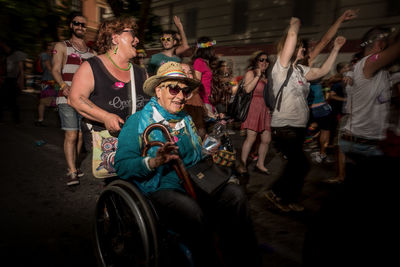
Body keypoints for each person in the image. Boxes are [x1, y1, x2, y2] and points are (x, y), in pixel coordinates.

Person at [114, 62, 261, 267]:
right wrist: (155, 160)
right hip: (161, 185)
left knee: (236, 195)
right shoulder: (138, 121)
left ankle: (242, 258)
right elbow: (122, 165)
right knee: (192, 212)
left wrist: (211, 151)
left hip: (194, 178)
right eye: (174, 89)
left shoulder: (186, 118)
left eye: (185, 90)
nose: (181, 96)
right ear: (158, 90)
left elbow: (196, 154)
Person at [264, 17, 346, 212]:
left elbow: (323, 71)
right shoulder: (281, 68)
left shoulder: (301, 70)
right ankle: (276, 192)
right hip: (284, 126)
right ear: (290, 48)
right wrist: (294, 25)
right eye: (301, 47)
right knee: (300, 164)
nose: (304, 50)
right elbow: (291, 37)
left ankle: (289, 197)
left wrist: (335, 49)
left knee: (297, 165)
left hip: (299, 126)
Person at [68, 16, 148, 181]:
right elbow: (75, 99)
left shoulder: (141, 73)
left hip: (139, 143)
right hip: (108, 145)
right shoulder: (92, 66)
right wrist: (105, 117)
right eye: (132, 34)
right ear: (115, 37)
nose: (137, 39)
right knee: (117, 186)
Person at [304, 9, 357, 163]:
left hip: (309, 107)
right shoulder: (303, 66)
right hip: (313, 107)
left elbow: (325, 40)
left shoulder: (305, 65)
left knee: (317, 130)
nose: (312, 50)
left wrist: (340, 19)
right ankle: (321, 153)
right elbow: (325, 40)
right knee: (323, 130)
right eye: (308, 49)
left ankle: (316, 152)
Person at [52, 12, 95, 185]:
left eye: (83, 25)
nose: (80, 27)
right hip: (66, 98)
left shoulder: (92, 53)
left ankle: (75, 166)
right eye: (77, 23)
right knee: (71, 134)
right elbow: (55, 70)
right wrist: (63, 87)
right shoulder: (62, 46)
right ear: (71, 25)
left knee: (78, 136)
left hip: (85, 100)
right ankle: (71, 171)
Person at [237, 51, 272, 176]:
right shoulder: (251, 73)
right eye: (261, 60)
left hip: (265, 109)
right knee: (251, 138)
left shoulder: (267, 77)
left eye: (266, 60)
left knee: (266, 139)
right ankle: (242, 164)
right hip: (253, 108)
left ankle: (260, 164)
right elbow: (247, 89)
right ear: (256, 61)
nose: (264, 62)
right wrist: (257, 76)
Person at [192, 36, 218, 119]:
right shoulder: (198, 62)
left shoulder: (206, 62)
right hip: (203, 101)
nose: (214, 50)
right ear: (207, 49)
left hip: (209, 100)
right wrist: (201, 104)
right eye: (212, 48)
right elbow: (196, 83)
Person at [0, 41, 26, 123]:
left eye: (4, 46)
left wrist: (21, 82)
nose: (4, 48)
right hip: (7, 79)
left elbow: (21, 70)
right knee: (6, 98)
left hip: (13, 80)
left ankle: (16, 119)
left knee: (11, 99)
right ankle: (15, 119)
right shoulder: (6, 56)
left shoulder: (17, 54)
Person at [181, 62, 207, 139]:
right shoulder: (170, 98)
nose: (188, 75)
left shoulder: (195, 96)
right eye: (183, 72)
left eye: (190, 73)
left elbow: (200, 127)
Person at [35, 41, 57, 127]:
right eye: (51, 45)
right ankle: (40, 120)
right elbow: (49, 68)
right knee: (43, 101)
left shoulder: (53, 56)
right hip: (47, 81)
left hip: (54, 81)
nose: (53, 47)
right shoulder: (45, 55)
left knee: (55, 100)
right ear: (47, 46)